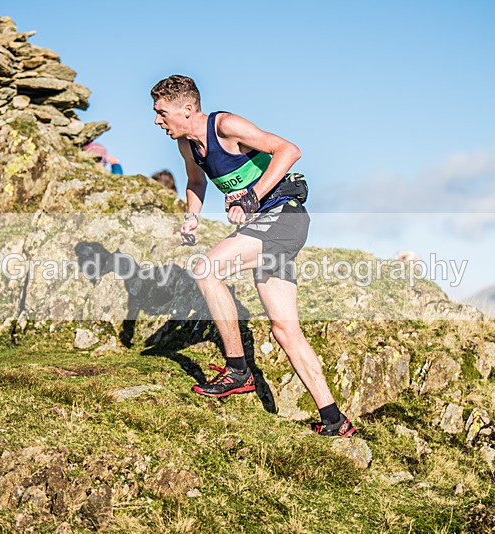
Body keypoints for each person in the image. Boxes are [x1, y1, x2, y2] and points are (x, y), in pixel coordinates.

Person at [151, 74, 356, 437]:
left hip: (284, 215)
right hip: (267, 225)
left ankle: (238, 371)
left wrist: (251, 197)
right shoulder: (187, 145)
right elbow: (196, 182)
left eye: (161, 112)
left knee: (205, 269)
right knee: (285, 330)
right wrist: (191, 218)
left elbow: (289, 150)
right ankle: (335, 420)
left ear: (187, 108)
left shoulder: (226, 125)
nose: (157, 120)